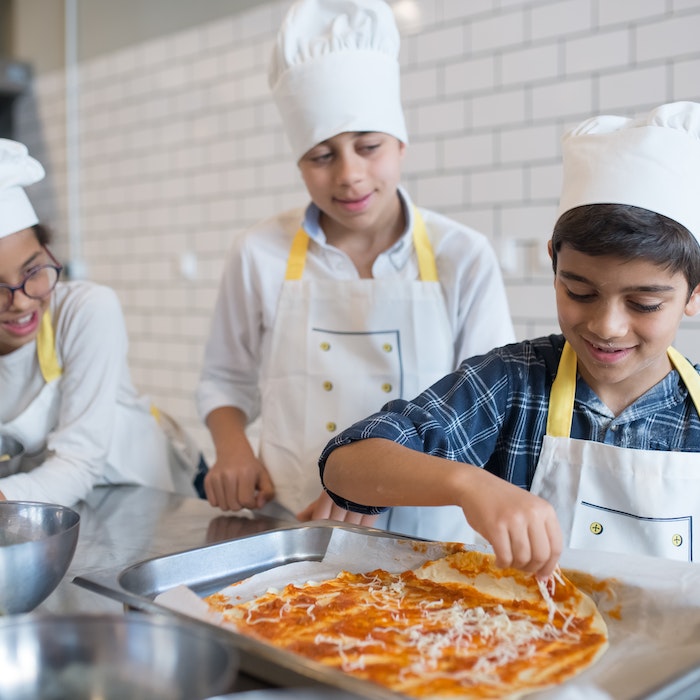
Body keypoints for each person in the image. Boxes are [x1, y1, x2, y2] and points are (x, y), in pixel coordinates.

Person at [320, 101, 700, 576]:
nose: (607, 326)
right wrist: (469, 484)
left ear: (694, 293)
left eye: (644, 304)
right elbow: (345, 466)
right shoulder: (513, 384)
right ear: (554, 264)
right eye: (579, 292)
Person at [196, 0, 514, 541]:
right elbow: (223, 380)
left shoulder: (462, 254)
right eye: (321, 156)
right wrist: (232, 451)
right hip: (294, 527)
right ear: (299, 162)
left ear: (400, 146)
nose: (349, 176)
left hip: (429, 536)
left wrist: (368, 480)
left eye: (369, 147)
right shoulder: (258, 253)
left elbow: (489, 411)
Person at [0, 138, 202, 506]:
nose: (21, 300)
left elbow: (76, 463)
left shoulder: (85, 310)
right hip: (58, 508)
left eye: (33, 271)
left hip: (152, 496)